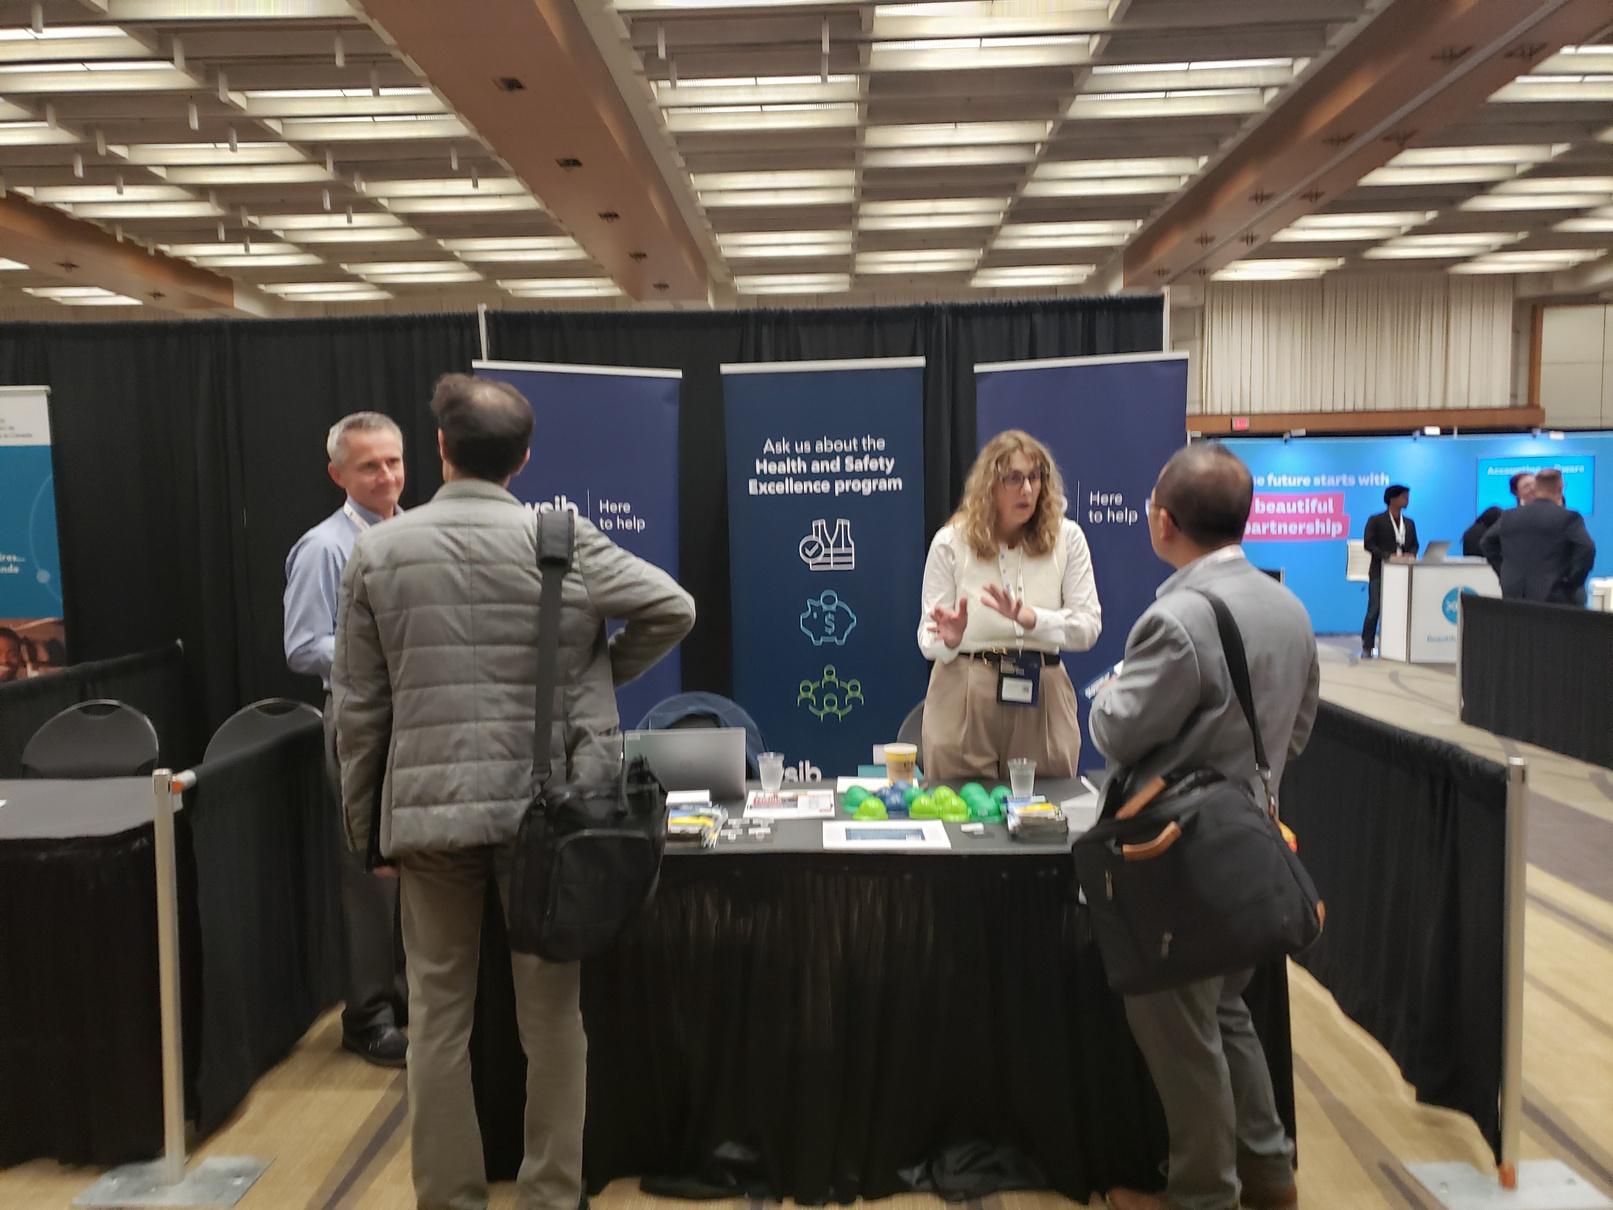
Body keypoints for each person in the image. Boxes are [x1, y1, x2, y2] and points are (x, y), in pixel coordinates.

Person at [333, 373, 695, 1210]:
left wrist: (365, 831)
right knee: (552, 1021)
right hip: (550, 821)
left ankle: (449, 1197)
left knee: (437, 1020)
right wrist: (588, 678)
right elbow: (672, 608)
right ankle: (550, 1195)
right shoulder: (561, 540)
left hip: (428, 817)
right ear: (524, 458)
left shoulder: (379, 552)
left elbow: (356, 712)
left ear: (439, 450)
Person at [1090, 443, 1319, 1210]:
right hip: (1248, 848)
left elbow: (1116, 731)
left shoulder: (1178, 619)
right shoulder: (1288, 608)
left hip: (1176, 859)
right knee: (1225, 1011)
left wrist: (1107, 692)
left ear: (1163, 521)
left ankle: (1202, 1196)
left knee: (1179, 1033)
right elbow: (1295, 733)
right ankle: (1269, 1174)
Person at [283, 411, 410, 1068]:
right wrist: (382, 651)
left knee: (415, 868)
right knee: (369, 874)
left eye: (393, 461)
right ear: (338, 475)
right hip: (361, 723)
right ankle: (368, 1015)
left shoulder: (413, 534)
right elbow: (303, 646)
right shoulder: (324, 548)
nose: (385, 475)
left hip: (416, 719)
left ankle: (407, 998)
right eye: (369, 466)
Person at [917, 429, 1101, 781]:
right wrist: (950, 639)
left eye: (1035, 477)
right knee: (961, 807)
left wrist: (1034, 619)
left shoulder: (1068, 538)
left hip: (1042, 688)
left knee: (1044, 807)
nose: (1027, 489)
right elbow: (928, 638)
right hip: (965, 685)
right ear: (989, 485)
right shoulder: (951, 542)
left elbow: (1088, 628)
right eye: (1013, 478)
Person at [1481, 467, 1597, 605]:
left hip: (1514, 594)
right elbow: (1587, 548)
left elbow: (1486, 542)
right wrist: (1572, 581)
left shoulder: (1508, 516)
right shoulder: (1568, 518)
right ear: (1560, 488)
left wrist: (1504, 572)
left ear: (1536, 488)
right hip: (1555, 597)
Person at [1359, 484, 1418, 658]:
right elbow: (1368, 543)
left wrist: (1411, 554)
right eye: (1404, 497)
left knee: (1400, 609)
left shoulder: (1409, 523)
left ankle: (1396, 645)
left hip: (1403, 571)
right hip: (1380, 571)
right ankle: (1367, 644)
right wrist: (1387, 556)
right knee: (1375, 608)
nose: (1407, 500)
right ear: (1392, 499)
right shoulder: (1376, 520)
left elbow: (1415, 544)